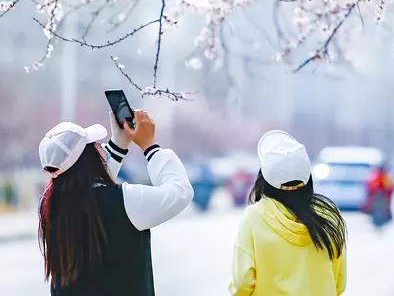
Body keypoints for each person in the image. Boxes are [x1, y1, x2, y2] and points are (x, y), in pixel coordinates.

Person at [38, 110, 193, 296]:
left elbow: (86, 185)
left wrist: (119, 144)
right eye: (95, 145)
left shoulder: (51, 206)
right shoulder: (124, 202)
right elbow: (180, 192)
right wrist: (150, 146)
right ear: (89, 160)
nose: (101, 147)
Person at [229, 130, 347, 295]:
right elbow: (339, 284)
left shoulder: (254, 217)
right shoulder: (328, 216)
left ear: (265, 179)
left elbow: (242, 283)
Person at [364, 164, 394, 229]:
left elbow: (391, 187)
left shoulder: (383, 177)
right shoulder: (376, 176)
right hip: (378, 199)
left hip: (381, 198)